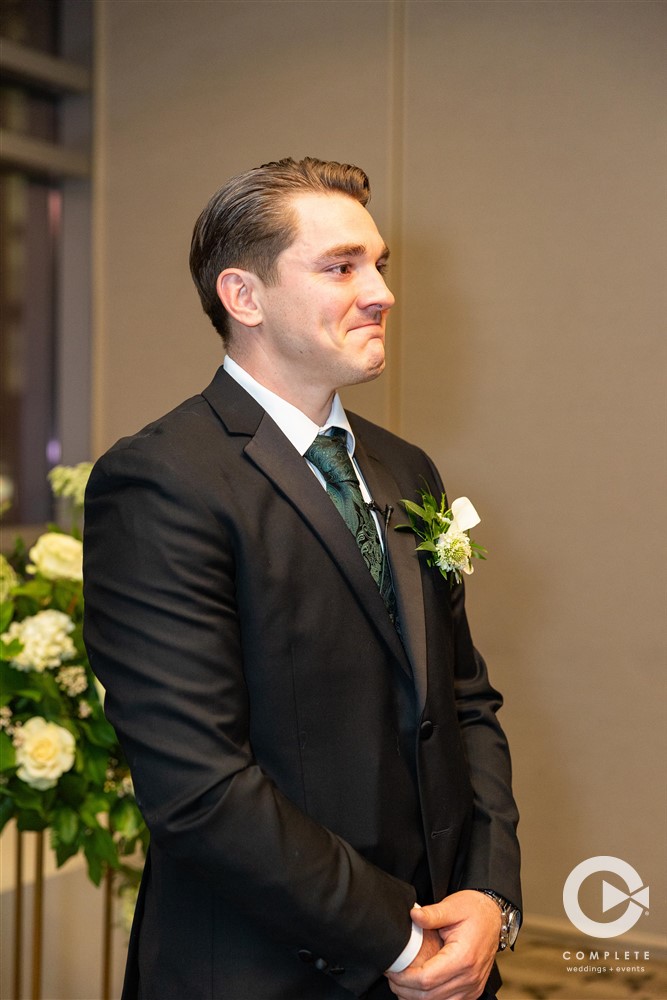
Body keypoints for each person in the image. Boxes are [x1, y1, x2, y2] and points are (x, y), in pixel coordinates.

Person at [83, 156, 521, 1000]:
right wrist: (399, 939)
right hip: (264, 967)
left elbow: (464, 703)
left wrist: (487, 896)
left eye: (378, 264)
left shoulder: (403, 468)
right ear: (243, 297)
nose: (381, 291)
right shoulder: (163, 480)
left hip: (449, 951)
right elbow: (198, 786)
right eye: (340, 267)